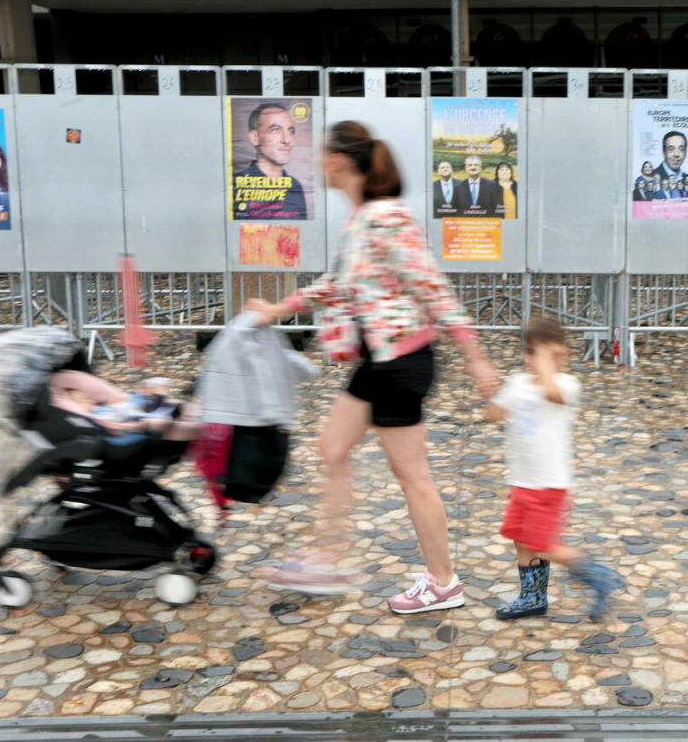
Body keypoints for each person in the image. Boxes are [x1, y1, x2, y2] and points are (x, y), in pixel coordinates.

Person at [247, 120, 499, 613]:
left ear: (340, 160)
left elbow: (433, 287)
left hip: (402, 362)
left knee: (412, 476)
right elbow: (337, 284)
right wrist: (278, 310)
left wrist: (476, 357)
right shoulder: (363, 218)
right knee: (332, 447)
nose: (318, 162)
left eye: (322, 153)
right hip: (377, 360)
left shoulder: (386, 218)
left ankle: (443, 581)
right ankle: (330, 557)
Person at [484, 318, 623, 622]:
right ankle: (532, 598)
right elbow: (495, 414)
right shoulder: (517, 383)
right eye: (531, 352)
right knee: (521, 539)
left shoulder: (566, 385)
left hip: (549, 485)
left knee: (542, 544)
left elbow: (553, 395)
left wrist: (548, 365)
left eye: (543, 353)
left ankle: (598, 574)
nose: (534, 360)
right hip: (522, 481)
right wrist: (489, 395)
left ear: (560, 354)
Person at [233, 102, 307, 219]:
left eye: (290, 131)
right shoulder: (235, 185)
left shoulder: (295, 186)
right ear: (255, 138)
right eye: (276, 130)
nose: (287, 140)